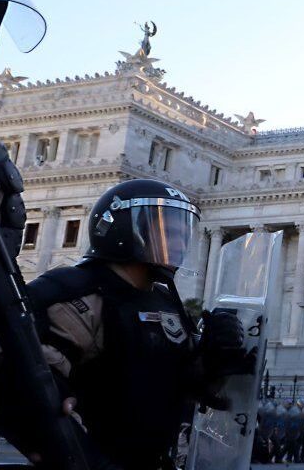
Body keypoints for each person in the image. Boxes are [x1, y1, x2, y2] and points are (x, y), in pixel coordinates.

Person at [21, 178, 248, 469]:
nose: (179, 244)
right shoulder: (77, 293)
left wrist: (215, 354)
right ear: (124, 229)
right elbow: (36, 384)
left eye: (183, 234)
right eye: (168, 233)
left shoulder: (165, 300)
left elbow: (182, 384)